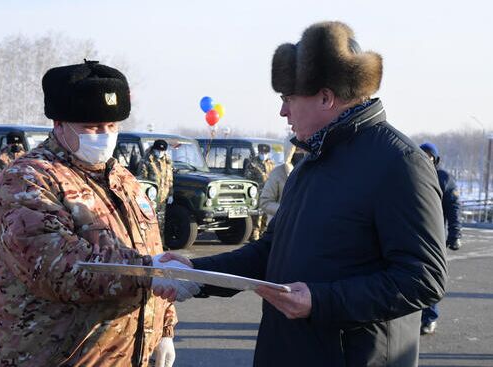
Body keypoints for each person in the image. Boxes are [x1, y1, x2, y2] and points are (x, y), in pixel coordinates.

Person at [156, 21, 447, 366]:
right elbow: (270, 252)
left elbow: (423, 278)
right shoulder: (312, 161)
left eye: (289, 98)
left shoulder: (398, 163)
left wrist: (320, 301)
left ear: (325, 97)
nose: (283, 111)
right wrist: (197, 274)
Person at [0, 60, 195, 367]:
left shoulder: (123, 178)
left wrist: (165, 328)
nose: (104, 135)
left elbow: (151, 249)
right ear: (59, 124)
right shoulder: (27, 179)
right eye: (92, 127)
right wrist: (147, 272)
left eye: (111, 127)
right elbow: (56, 268)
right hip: (55, 357)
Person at [419, 142, 463, 335]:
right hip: (408, 235)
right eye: (422, 154)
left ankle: (429, 318)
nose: (426, 158)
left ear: (435, 159)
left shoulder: (443, 179)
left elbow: (454, 209)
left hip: (434, 238)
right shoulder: (408, 173)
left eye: (430, 156)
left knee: (430, 277)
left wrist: (455, 235)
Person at [259, 139, 305, 222]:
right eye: (297, 149)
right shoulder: (278, 173)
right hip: (281, 225)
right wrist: (287, 210)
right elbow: (265, 202)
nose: (301, 153)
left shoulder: (313, 172)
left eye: (303, 149)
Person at [138, 139, 174, 240]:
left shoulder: (167, 162)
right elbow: (142, 180)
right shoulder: (147, 160)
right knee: (149, 222)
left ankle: (160, 245)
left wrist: (170, 194)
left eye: (162, 151)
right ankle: (149, 244)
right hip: (150, 198)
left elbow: (170, 179)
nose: (160, 153)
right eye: (158, 150)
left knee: (161, 223)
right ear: (154, 150)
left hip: (162, 198)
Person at [244, 143, 276, 240]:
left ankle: (263, 232)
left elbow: (273, 176)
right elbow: (247, 177)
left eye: (265, 153)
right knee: (257, 214)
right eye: (262, 152)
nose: (263, 154)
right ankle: (255, 233)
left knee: (266, 213)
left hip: (268, 192)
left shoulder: (271, 163)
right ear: (259, 152)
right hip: (257, 193)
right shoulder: (253, 163)